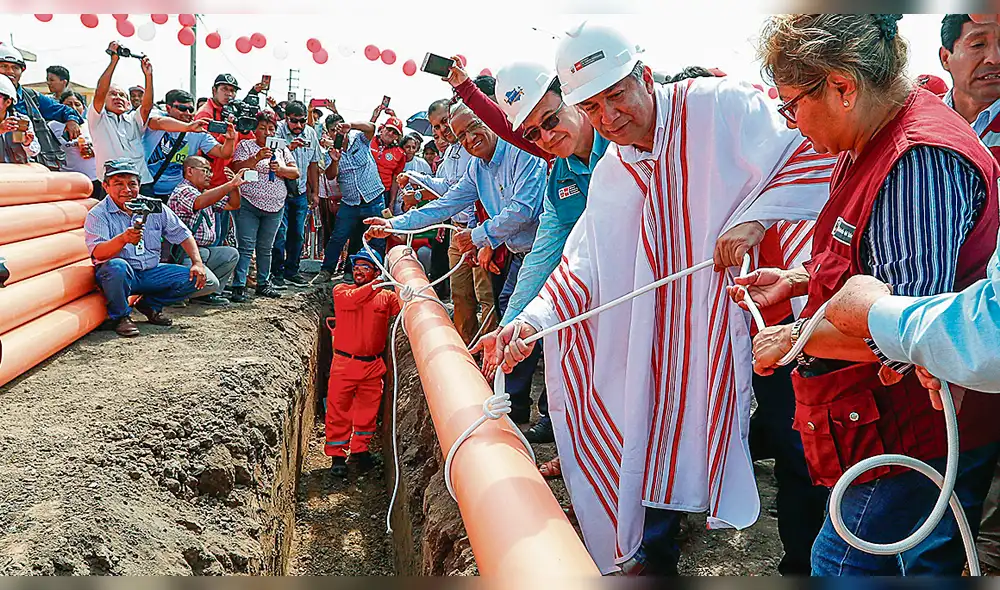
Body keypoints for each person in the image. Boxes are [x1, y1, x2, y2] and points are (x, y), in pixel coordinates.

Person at [490, 22, 834, 575]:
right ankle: (656, 559)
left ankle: (805, 566)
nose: (610, 117)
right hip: (680, 337)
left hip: (773, 315)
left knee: (799, 449)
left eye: (617, 95)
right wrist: (531, 321)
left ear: (644, 77)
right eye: (593, 107)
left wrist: (755, 219)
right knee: (651, 428)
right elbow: (584, 262)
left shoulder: (720, 107)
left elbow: (813, 154)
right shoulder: (616, 171)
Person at [733, 13, 1000, 576]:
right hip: (885, 432)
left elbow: (910, 334)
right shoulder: (871, 139)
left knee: (845, 567)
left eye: (792, 105)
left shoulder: (917, 160)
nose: (791, 123)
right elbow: (867, 254)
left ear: (843, 87)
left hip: (915, 439)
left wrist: (795, 337)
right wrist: (799, 280)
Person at [366, 102, 548, 426]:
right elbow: (445, 204)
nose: (469, 139)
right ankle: (515, 402)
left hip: (549, 252)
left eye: (473, 127)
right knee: (512, 316)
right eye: (461, 135)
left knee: (541, 327)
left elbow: (524, 209)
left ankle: (545, 411)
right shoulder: (477, 168)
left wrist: (479, 236)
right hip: (520, 253)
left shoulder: (522, 152)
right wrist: (394, 224)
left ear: (491, 120)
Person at [84, 158, 208, 338]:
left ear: (139, 185)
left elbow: (183, 233)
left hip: (150, 271)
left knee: (197, 278)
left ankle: (150, 305)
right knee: (117, 267)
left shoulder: (154, 206)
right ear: (105, 186)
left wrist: (197, 263)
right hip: (119, 276)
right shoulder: (98, 214)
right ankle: (121, 317)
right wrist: (123, 239)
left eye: (132, 184)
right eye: (118, 184)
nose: (126, 190)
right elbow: (98, 253)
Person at [324, 249, 401, 476]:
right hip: (345, 363)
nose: (358, 271)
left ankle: (360, 450)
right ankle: (337, 456)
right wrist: (377, 284)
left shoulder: (386, 298)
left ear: (376, 271)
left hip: (373, 365)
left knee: (368, 411)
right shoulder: (342, 291)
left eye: (365, 267)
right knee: (338, 410)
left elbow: (405, 309)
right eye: (356, 267)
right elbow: (355, 299)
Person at [89, 42, 205, 190]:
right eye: (112, 94)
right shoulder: (97, 119)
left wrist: (148, 76)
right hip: (113, 184)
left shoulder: (133, 119)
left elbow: (146, 107)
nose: (118, 98)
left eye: (122, 95)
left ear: (128, 103)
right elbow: (100, 91)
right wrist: (114, 61)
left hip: (141, 182)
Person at [229, 109, 299, 302]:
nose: (267, 132)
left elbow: (295, 172)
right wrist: (257, 158)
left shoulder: (281, 149)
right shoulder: (246, 145)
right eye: (262, 128)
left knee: (266, 247)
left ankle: (263, 283)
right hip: (249, 203)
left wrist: (281, 169)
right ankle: (239, 285)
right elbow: (236, 168)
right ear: (255, 129)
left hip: (275, 206)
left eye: (271, 128)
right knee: (246, 246)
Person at [309, 114, 387, 286]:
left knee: (377, 238)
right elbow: (330, 175)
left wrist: (350, 125)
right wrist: (335, 161)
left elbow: (371, 127)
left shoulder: (359, 139)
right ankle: (326, 271)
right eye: (332, 130)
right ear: (328, 133)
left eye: (339, 127)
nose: (336, 132)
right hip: (350, 202)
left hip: (373, 198)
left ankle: (374, 274)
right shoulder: (329, 153)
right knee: (338, 237)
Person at [167, 156, 249, 307]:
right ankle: (172, 294)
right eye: (205, 170)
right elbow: (198, 202)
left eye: (210, 171)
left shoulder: (204, 192)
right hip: (184, 253)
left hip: (203, 251)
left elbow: (233, 205)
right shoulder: (183, 191)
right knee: (211, 283)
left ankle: (204, 296)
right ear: (190, 171)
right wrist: (229, 185)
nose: (210, 175)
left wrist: (235, 186)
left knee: (230, 254)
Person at [142, 89, 238, 202]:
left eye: (191, 109)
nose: (187, 113)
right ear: (168, 108)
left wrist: (230, 139)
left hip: (175, 192)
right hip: (146, 186)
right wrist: (188, 127)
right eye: (182, 108)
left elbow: (223, 153)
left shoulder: (198, 131)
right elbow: (157, 122)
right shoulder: (156, 115)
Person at [0, 44, 83, 170]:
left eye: (15, 67)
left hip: (29, 169)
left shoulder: (32, 98)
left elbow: (64, 110)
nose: (10, 72)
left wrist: (72, 120)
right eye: (4, 66)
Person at [272, 100, 323, 288]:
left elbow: (313, 164)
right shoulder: (277, 130)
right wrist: (289, 148)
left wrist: (315, 192)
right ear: (286, 118)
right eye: (294, 121)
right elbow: (271, 156)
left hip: (300, 192)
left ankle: (292, 271)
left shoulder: (310, 133)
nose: (299, 126)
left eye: (302, 121)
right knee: (280, 234)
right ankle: (276, 273)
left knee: (298, 234)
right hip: (279, 190)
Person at [49, 90, 98, 195]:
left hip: (93, 178)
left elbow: (103, 148)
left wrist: (93, 151)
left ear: (83, 107)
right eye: (68, 105)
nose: (73, 108)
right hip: (67, 179)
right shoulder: (53, 126)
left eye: (77, 104)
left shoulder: (91, 125)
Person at [0, 75, 38, 163]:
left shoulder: (20, 121)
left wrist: (27, 143)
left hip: (18, 169)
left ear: (8, 102)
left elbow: (34, 152)